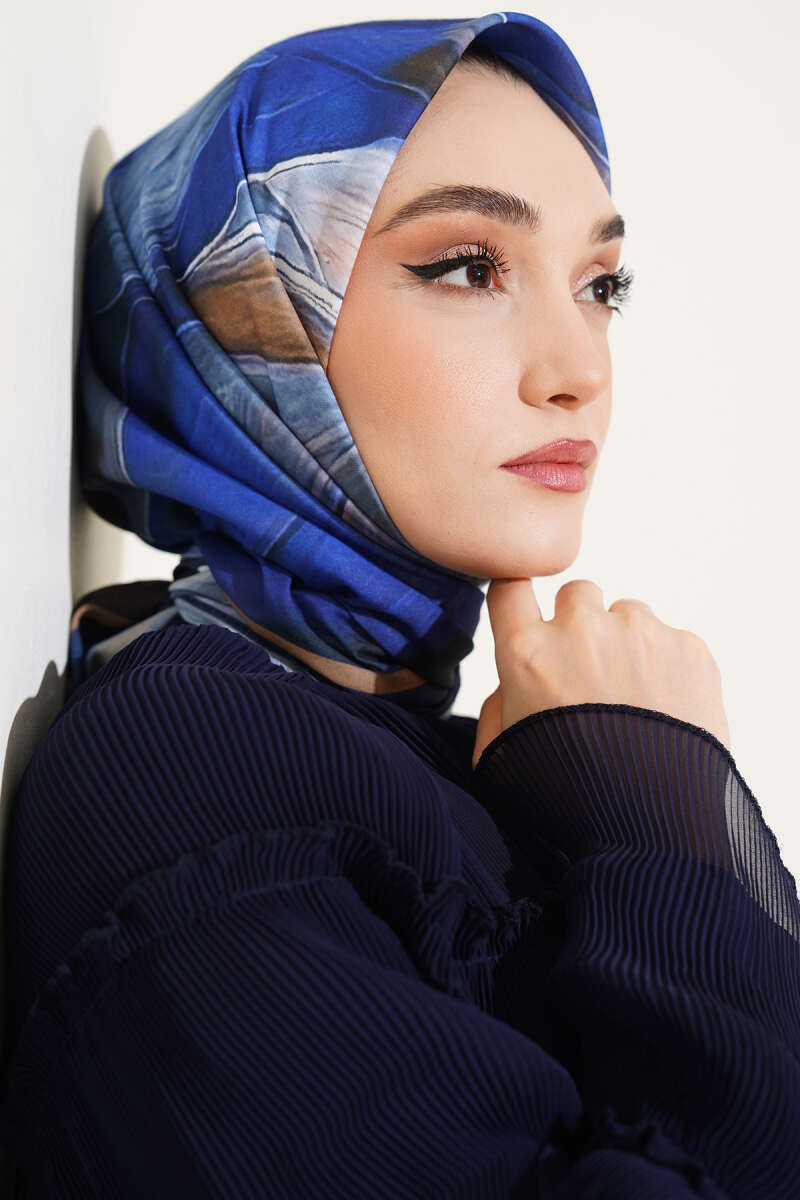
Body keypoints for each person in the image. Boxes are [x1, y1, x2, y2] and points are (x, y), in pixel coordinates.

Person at [2, 11, 798, 1197]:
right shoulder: (190, 768)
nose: (578, 369)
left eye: (599, 284)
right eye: (468, 267)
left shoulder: (437, 745)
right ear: (245, 320)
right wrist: (664, 810)